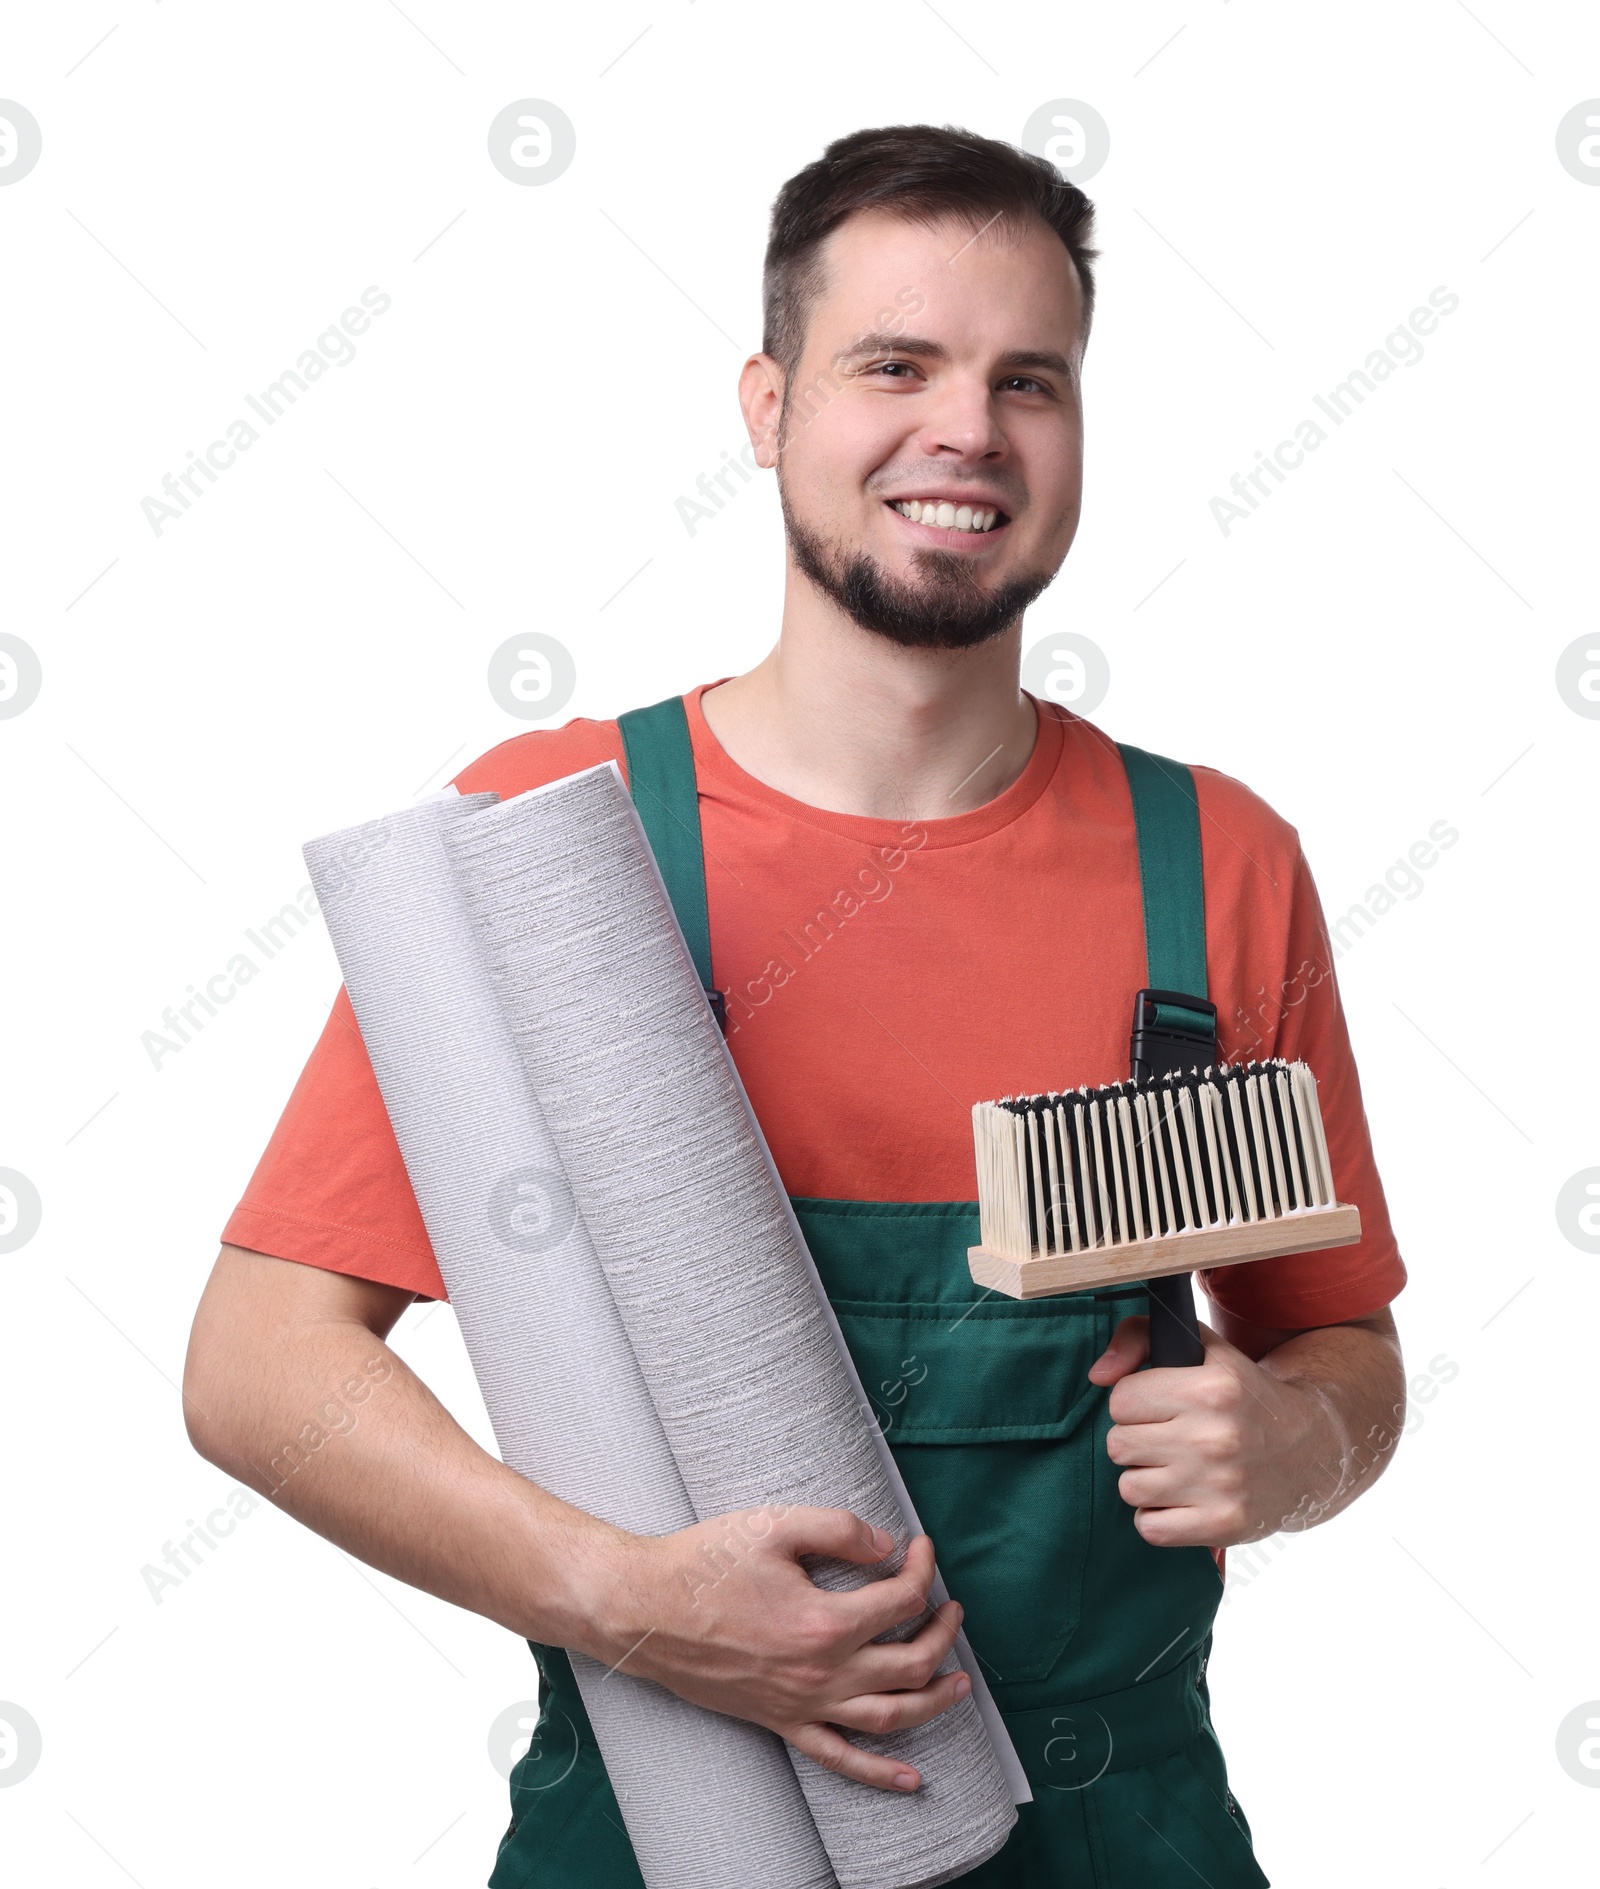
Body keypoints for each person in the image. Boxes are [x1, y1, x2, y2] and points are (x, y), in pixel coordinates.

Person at [185, 123, 1407, 1886]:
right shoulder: (559, 849)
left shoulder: (1213, 860)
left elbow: (1345, 1357)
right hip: (676, 1827)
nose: (967, 432)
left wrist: (1296, 1442)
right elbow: (255, 1369)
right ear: (766, 407)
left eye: (1030, 381)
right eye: (893, 365)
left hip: (1120, 1837)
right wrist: (628, 1599)